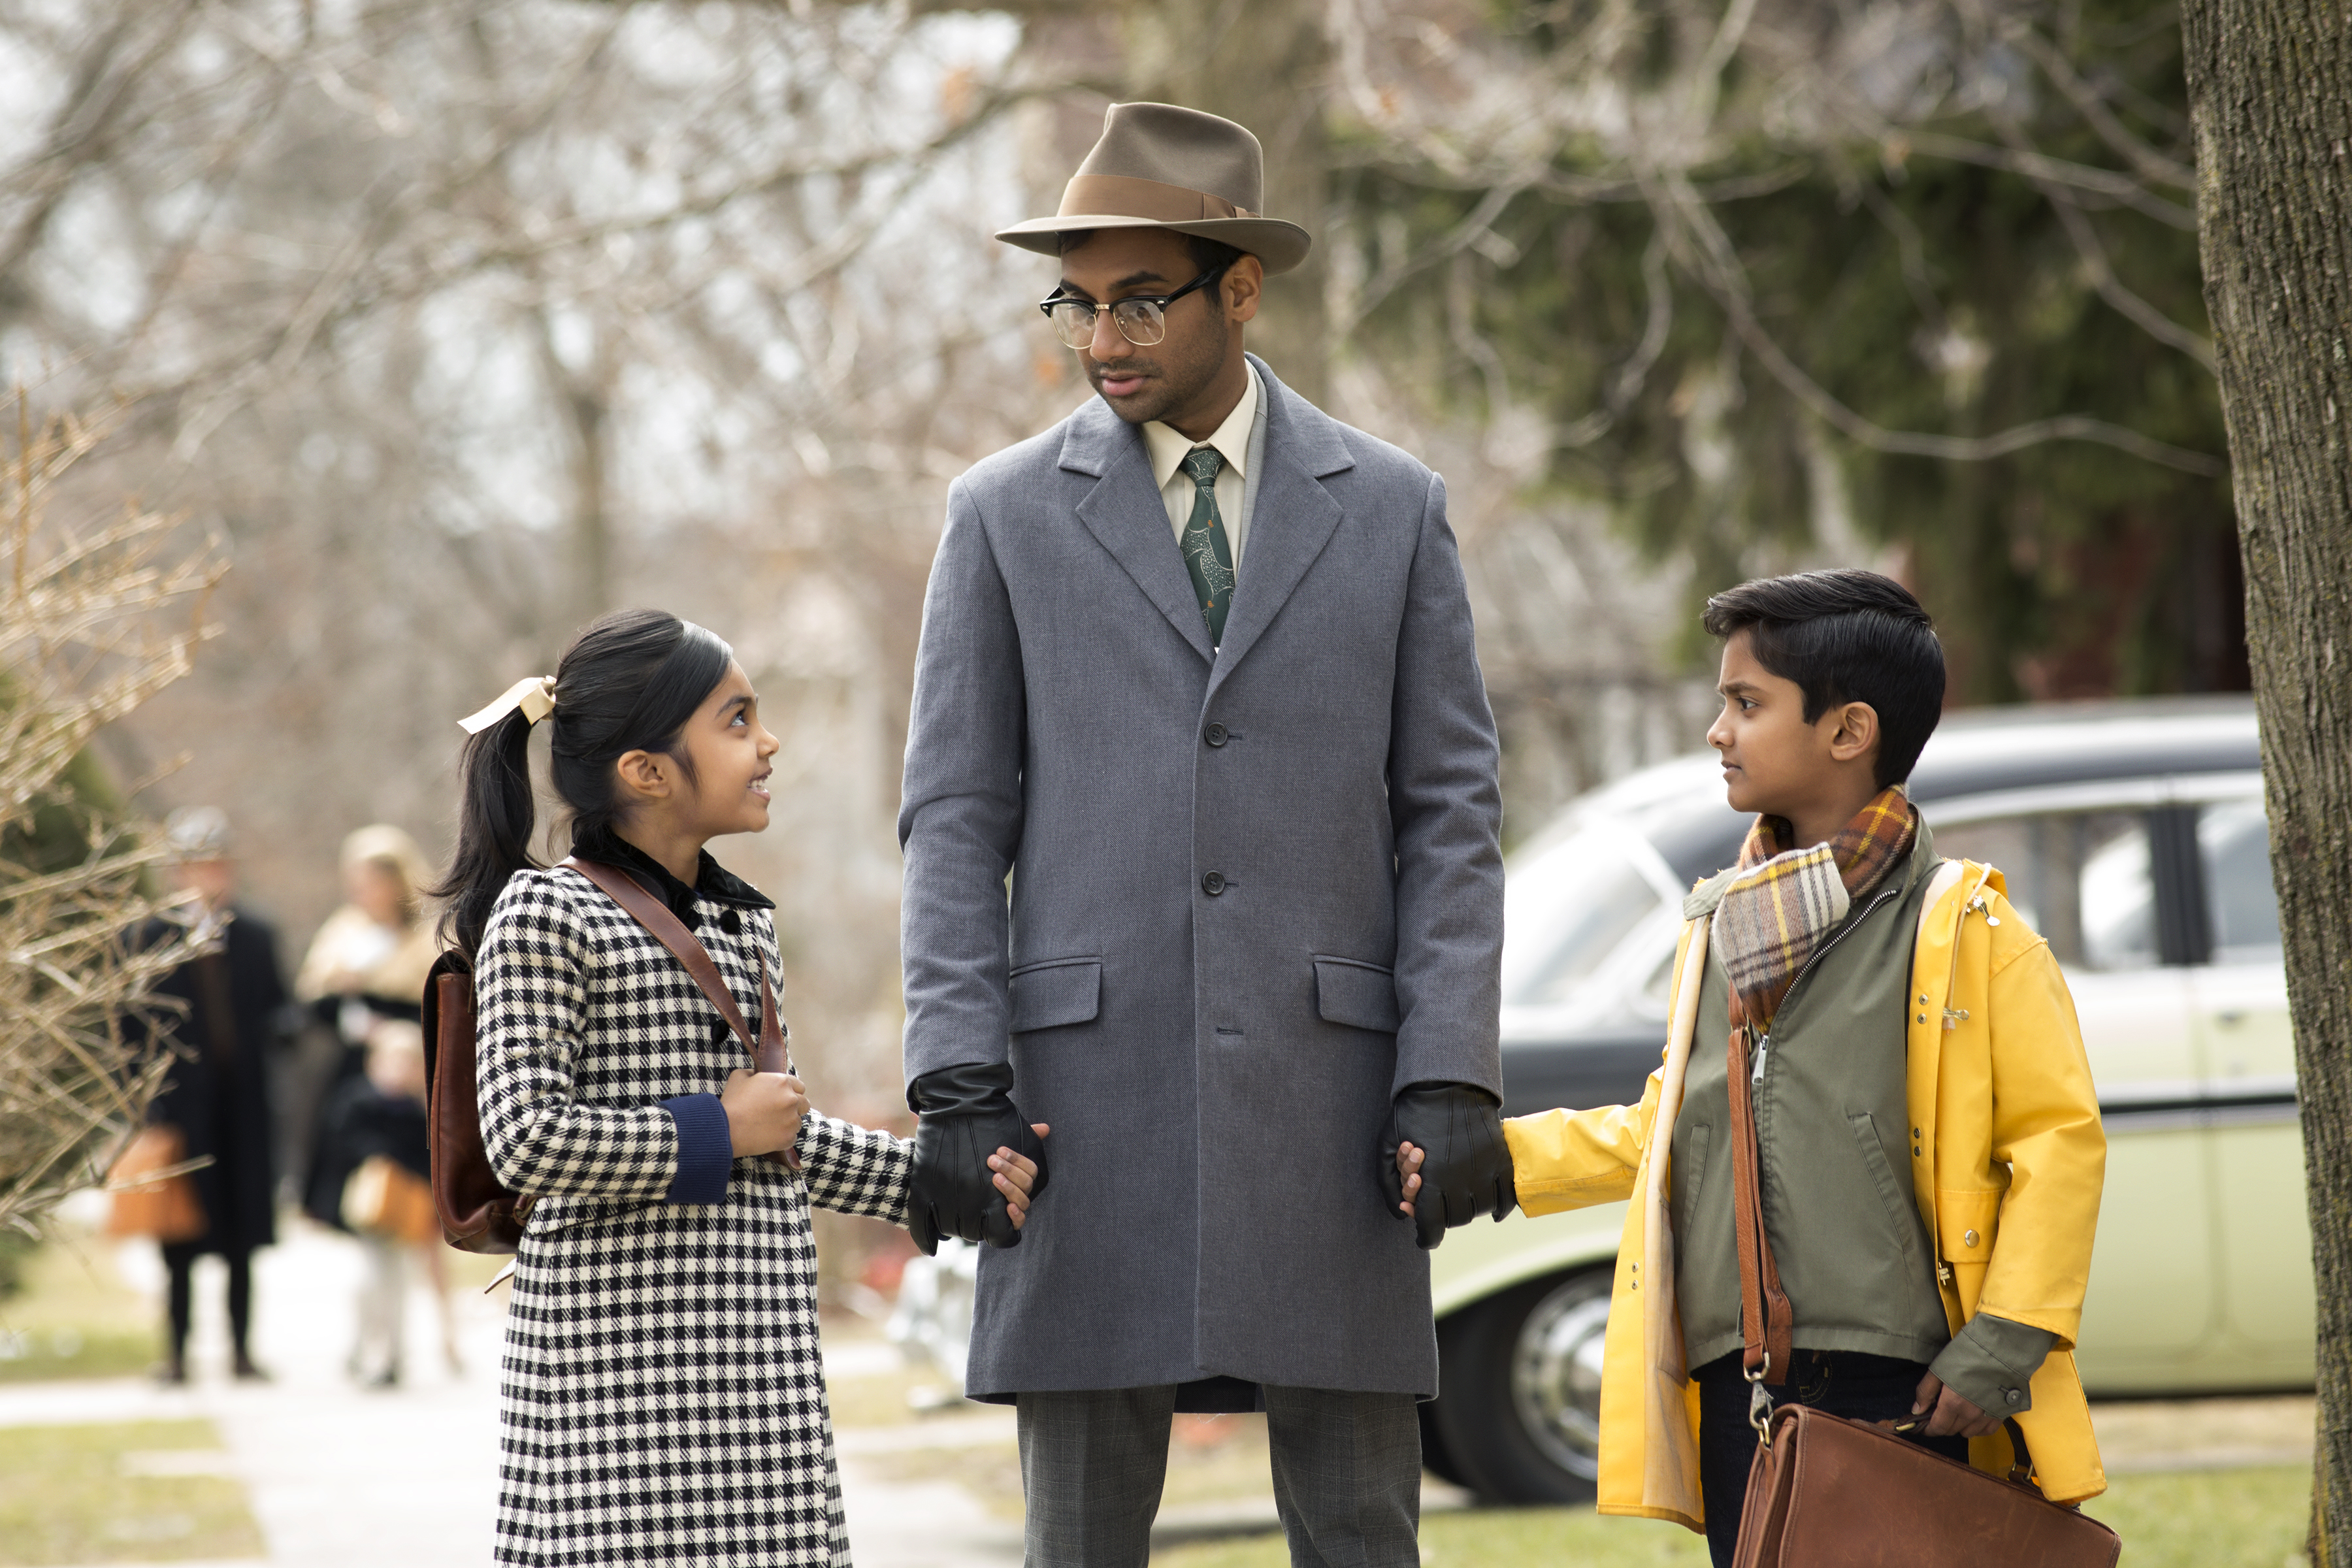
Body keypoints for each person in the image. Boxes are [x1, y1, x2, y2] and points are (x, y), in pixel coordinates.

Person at [899, 103, 1510, 1568]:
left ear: (1241, 288)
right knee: (1080, 1540)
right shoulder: (998, 518)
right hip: (1078, 1111)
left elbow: (1451, 811)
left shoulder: (1396, 510)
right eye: (1078, 301)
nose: (1102, 335)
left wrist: (1450, 1071)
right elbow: (951, 815)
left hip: (1337, 1106)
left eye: (1139, 298)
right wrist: (957, 1077)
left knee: (1364, 1533)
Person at [1400, 570, 2108, 1563]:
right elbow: (1679, 1127)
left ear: (1848, 731)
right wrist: (1504, 1165)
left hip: (1901, 1388)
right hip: (1746, 1390)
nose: (1716, 731)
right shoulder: (1726, 925)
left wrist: (2004, 1339)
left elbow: (2057, 1145)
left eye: (1745, 703)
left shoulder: (1969, 931)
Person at [440, 609, 1045, 1566]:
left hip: (758, 1384)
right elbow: (525, 1137)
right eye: (736, 720)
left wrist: (938, 1179)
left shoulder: (739, 924)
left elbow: (784, 1133)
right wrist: (713, 1127)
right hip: (616, 1392)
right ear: (646, 771)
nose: (769, 743)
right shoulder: (546, 910)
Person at [140, 806, 293, 1383]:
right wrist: (151, 1108)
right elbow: (134, 1031)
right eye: (198, 864)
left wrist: (289, 1027)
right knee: (178, 1234)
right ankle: (177, 1354)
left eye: (218, 863)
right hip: (182, 1111)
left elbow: (279, 1006)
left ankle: (242, 1351)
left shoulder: (254, 935)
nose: (210, 875)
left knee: (242, 1236)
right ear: (178, 872)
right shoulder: (150, 941)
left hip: (243, 1108)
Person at [295, 825, 439, 1225]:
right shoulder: (345, 930)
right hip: (353, 1067)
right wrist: (345, 1006)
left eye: (372, 881)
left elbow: (436, 1006)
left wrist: (394, 1032)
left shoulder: (425, 936)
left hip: (408, 1075)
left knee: (406, 1192)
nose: (362, 891)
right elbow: (314, 1000)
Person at [316, 1017, 457, 1386]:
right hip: (367, 1211)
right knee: (367, 1281)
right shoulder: (356, 1102)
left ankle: (392, 1356)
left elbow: (431, 1162)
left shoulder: (418, 1112)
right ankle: (362, 1346)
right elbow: (340, 1149)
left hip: (403, 1213)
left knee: (397, 1285)